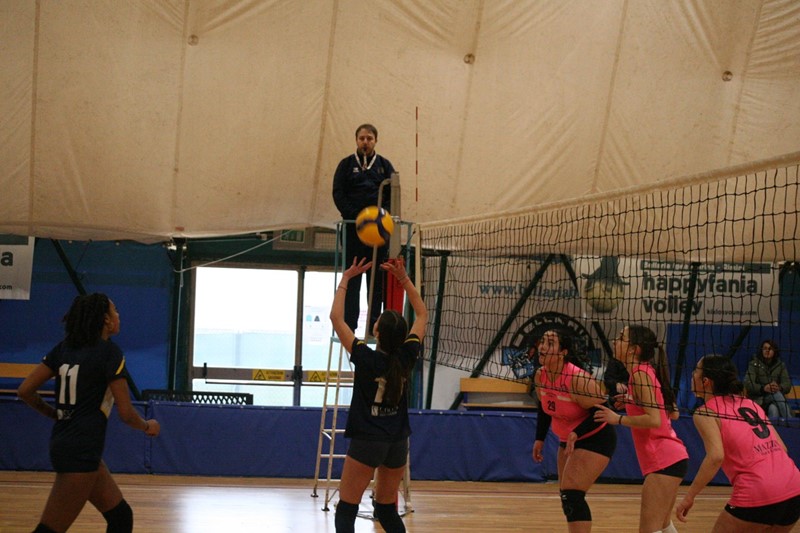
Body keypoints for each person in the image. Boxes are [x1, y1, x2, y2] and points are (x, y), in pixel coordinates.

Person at [17, 293, 160, 533]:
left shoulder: (63, 349)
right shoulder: (110, 353)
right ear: (106, 320)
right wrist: (148, 426)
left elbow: (25, 390)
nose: (118, 315)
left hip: (68, 444)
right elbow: (126, 413)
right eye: (115, 311)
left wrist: (54, 413)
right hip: (81, 450)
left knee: (121, 516)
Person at [330, 256, 427, 533]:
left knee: (346, 511)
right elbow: (422, 314)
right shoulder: (408, 355)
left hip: (368, 440)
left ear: (377, 333)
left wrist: (346, 278)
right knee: (386, 510)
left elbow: (336, 318)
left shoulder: (366, 357)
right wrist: (404, 279)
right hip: (397, 441)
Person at [676, 355, 800, 532]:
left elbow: (716, 457)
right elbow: (783, 448)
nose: (692, 374)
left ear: (705, 381)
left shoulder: (705, 413)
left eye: (696, 370)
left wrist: (689, 496)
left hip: (759, 491)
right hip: (794, 488)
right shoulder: (751, 404)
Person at [594, 326, 687, 533]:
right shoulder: (645, 371)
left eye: (621, 338)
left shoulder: (639, 374)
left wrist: (618, 419)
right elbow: (671, 413)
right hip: (673, 459)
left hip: (663, 459)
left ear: (633, 349)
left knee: (649, 529)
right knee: (663, 525)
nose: (615, 340)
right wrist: (631, 401)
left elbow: (654, 419)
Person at [532, 328, 615, 533]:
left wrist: (577, 432)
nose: (542, 347)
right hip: (567, 438)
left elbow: (602, 412)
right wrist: (540, 438)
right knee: (567, 497)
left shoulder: (578, 379)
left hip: (595, 437)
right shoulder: (540, 375)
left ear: (563, 352)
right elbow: (545, 407)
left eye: (550, 343)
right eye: (542, 341)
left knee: (572, 494)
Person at [332, 123, 397, 333]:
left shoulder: (385, 166)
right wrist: (357, 217)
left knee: (376, 281)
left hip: (378, 233)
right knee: (352, 279)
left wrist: (380, 217)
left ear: (375, 141)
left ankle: (374, 327)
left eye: (369, 138)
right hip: (353, 230)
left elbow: (392, 196)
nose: (365, 142)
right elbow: (338, 193)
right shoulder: (345, 164)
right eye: (362, 138)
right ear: (356, 140)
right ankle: (349, 326)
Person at [743, 340, 791, 419]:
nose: (767, 351)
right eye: (765, 348)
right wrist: (763, 388)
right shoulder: (753, 364)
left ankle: (774, 427)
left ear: (774, 351)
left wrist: (779, 387)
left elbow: (787, 384)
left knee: (773, 409)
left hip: (774, 400)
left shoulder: (780, 365)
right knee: (776, 394)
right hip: (758, 400)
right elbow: (748, 384)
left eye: (770, 349)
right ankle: (790, 421)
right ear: (761, 350)